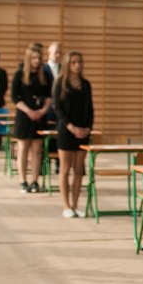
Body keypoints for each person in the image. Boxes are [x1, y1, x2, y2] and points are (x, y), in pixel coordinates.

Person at [53, 52, 94, 219]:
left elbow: (90, 108)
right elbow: (57, 108)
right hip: (66, 131)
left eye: (80, 62)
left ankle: (76, 205)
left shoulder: (86, 84)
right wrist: (70, 127)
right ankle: (66, 206)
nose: (78, 65)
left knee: (78, 170)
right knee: (65, 169)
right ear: (67, 65)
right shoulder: (60, 83)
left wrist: (88, 128)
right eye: (74, 62)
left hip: (82, 131)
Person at [11, 43, 53, 193]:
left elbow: (49, 96)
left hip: (39, 116)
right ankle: (23, 181)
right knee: (23, 148)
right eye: (34, 58)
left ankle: (35, 181)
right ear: (28, 59)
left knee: (37, 150)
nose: (37, 60)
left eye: (39, 58)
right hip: (24, 116)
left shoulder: (45, 75)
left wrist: (43, 111)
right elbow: (15, 97)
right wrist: (29, 111)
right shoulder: (20, 74)